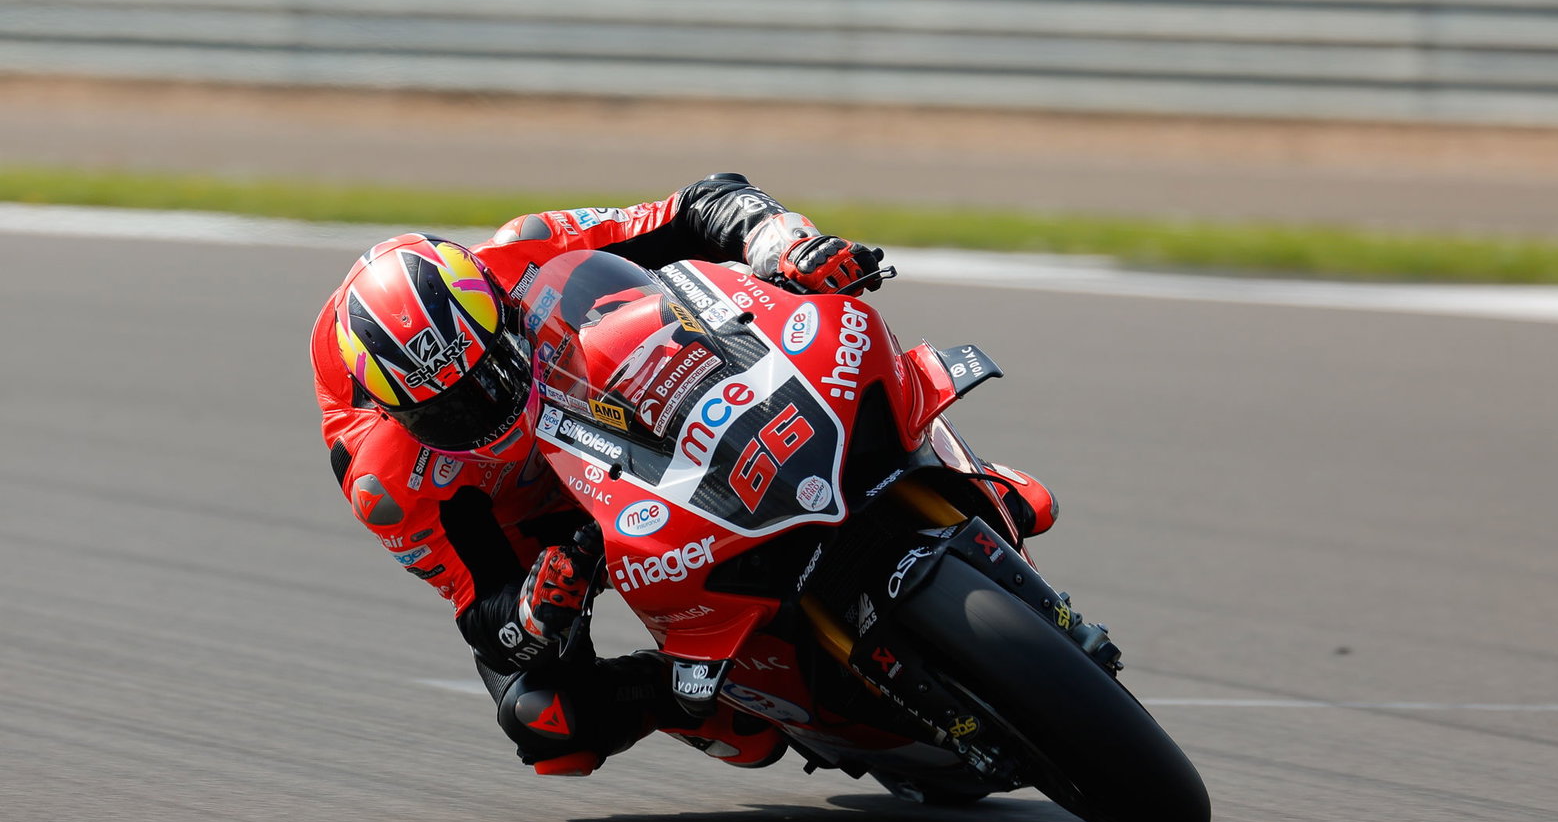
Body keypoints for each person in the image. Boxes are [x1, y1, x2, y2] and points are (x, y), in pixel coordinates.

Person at [309, 174, 1056, 777]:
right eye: (450, 410)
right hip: (539, 527)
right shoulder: (382, 479)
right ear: (398, 411)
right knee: (548, 720)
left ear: (497, 311)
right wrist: (536, 604)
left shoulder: (526, 251)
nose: (482, 408)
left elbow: (701, 205)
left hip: (612, 398)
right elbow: (483, 609)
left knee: (818, 335)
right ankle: (707, 694)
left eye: (486, 372)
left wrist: (785, 245)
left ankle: (960, 472)